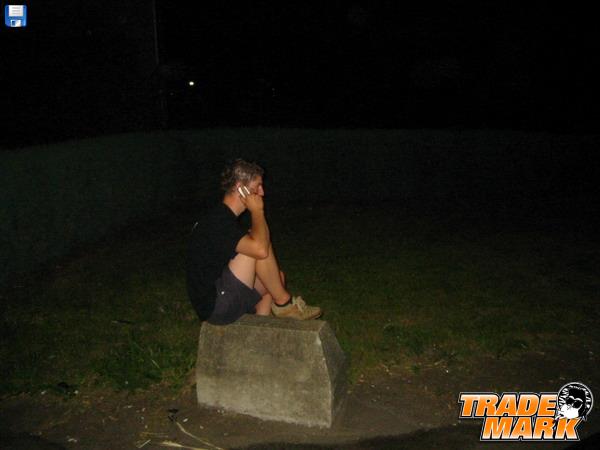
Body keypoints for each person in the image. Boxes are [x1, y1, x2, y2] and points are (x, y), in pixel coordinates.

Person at [186, 159, 321, 325]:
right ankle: (284, 304)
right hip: (215, 305)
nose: (262, 192)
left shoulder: (223, 217)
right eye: (258, 186)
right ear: (240, 188)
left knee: (275, 279)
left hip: (223, 296)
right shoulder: (218, 220)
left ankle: (260, 328)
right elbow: (261, 249)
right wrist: (257, 211)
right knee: (258, 247)